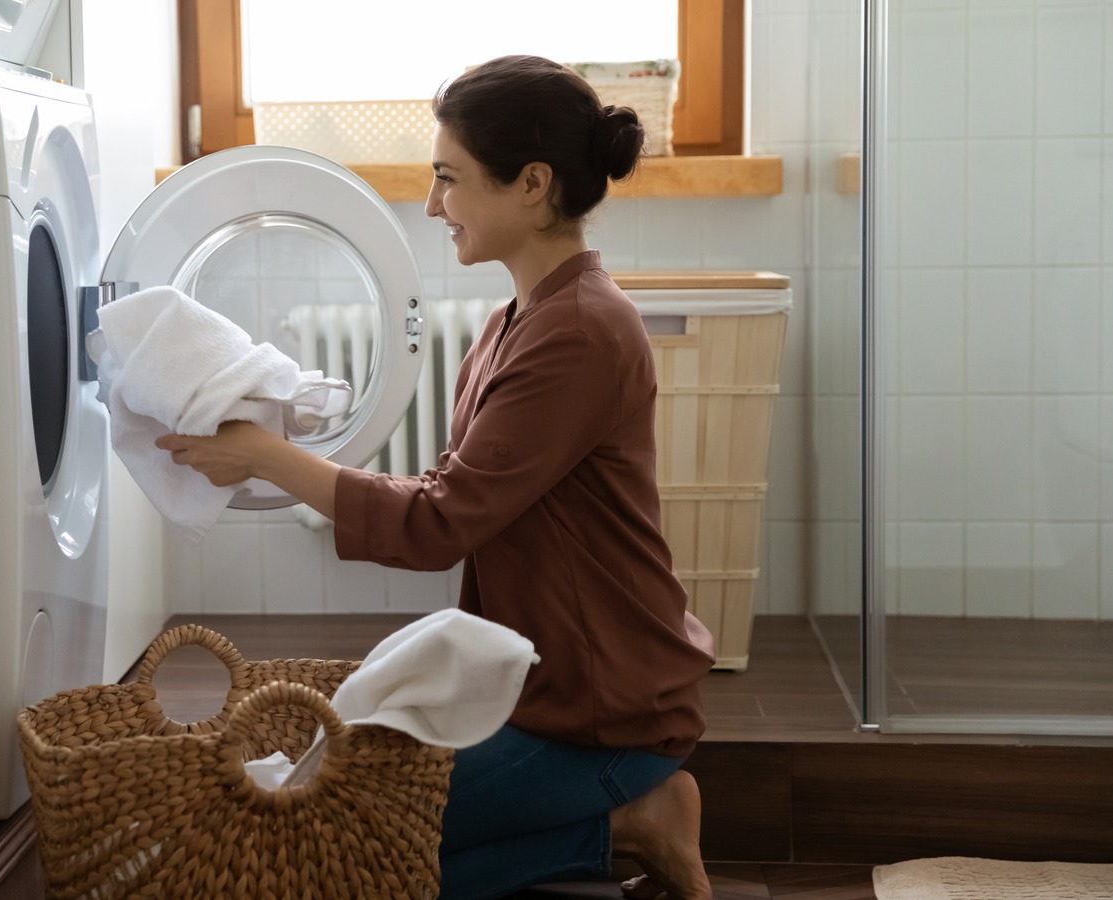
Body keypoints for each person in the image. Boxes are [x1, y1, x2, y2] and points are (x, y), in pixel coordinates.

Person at [157, 54, 715, 900]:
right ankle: (619, 828)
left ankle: (628, 814)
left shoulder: (580, 333)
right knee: (357, 845)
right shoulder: (514, 320)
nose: (430, 204)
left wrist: (269, 456)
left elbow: (440, 524)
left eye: (449, 179)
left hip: (602, 713)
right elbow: (456, 494)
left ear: (532, 184)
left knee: (346, 842)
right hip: (545, 683)